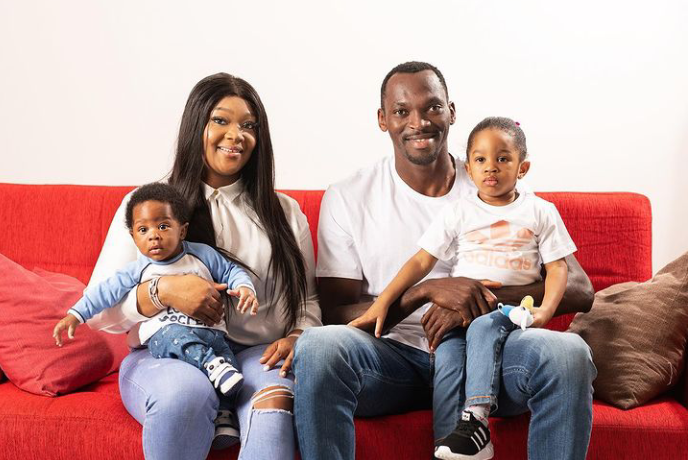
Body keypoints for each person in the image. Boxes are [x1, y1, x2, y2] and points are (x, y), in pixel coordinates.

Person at [293, 62, 597, 460]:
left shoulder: (492, 178)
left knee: (569, 353)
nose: (419, 122)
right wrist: (427, 293)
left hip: (490, 356)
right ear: (383, 120)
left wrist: (476, 303)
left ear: (451, 112)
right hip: (393, 360)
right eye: (402, 111)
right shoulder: (349, 196)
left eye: (432, 107)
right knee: (318, 346)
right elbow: (336, 312)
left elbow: (578, 288)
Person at [83, 73, 321, 460]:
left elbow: (307, 301)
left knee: (276, 401)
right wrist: (160, 293)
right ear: (197, 126)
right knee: (185, 395)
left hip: (256, 356)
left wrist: (297, 336)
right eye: (220, 120)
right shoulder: (149, 208)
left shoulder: (286, 213)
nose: (236, 135)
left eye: (248, 125)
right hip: (166, 352)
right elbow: (100, 314)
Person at [350, 116, 577, 460]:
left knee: (485, 325)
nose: (491, 168)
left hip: (509, 315)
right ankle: (451, 445)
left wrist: (544, 310)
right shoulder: (460, 211)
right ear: (469, 169)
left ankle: (477, 421)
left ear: (523, 167)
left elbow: (558, 269)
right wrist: (383, 302)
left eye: (503, 159)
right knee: (447, 359)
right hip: (458, 320)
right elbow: (420, 262)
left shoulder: (539, 211)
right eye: (481, 160)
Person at [53, 182, 259, 404]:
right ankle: (209, 363)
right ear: (134, 237)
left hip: (211, 332)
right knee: (174, 338)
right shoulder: (138, 269)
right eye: (143, 230)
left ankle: (224, 416)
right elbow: (104, 292)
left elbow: (230, 270)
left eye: (163, 226)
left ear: (182, 230)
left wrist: (245, 288)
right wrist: (76, 314)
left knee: (230, 367)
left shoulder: (202, 254)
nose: (154, 236)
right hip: (166, 335)